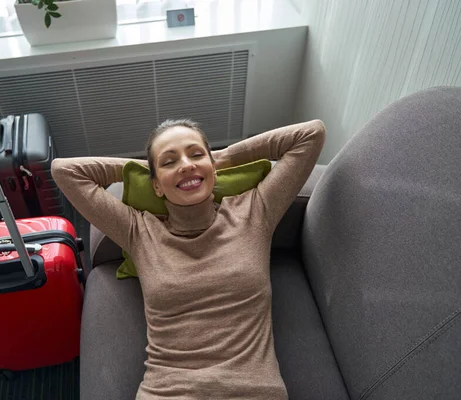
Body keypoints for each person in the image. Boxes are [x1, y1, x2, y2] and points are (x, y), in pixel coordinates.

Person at [51, 118, 326, 399]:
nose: (185, 164)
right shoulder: (140, 231)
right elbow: (66, 171)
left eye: (195, 154)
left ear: (215, 169)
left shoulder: (255, 211)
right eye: (170, 161)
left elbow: (310, 135)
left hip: (254, 391)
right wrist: (151, 171)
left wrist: (221, 157)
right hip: (167, 392)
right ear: (156, 186)